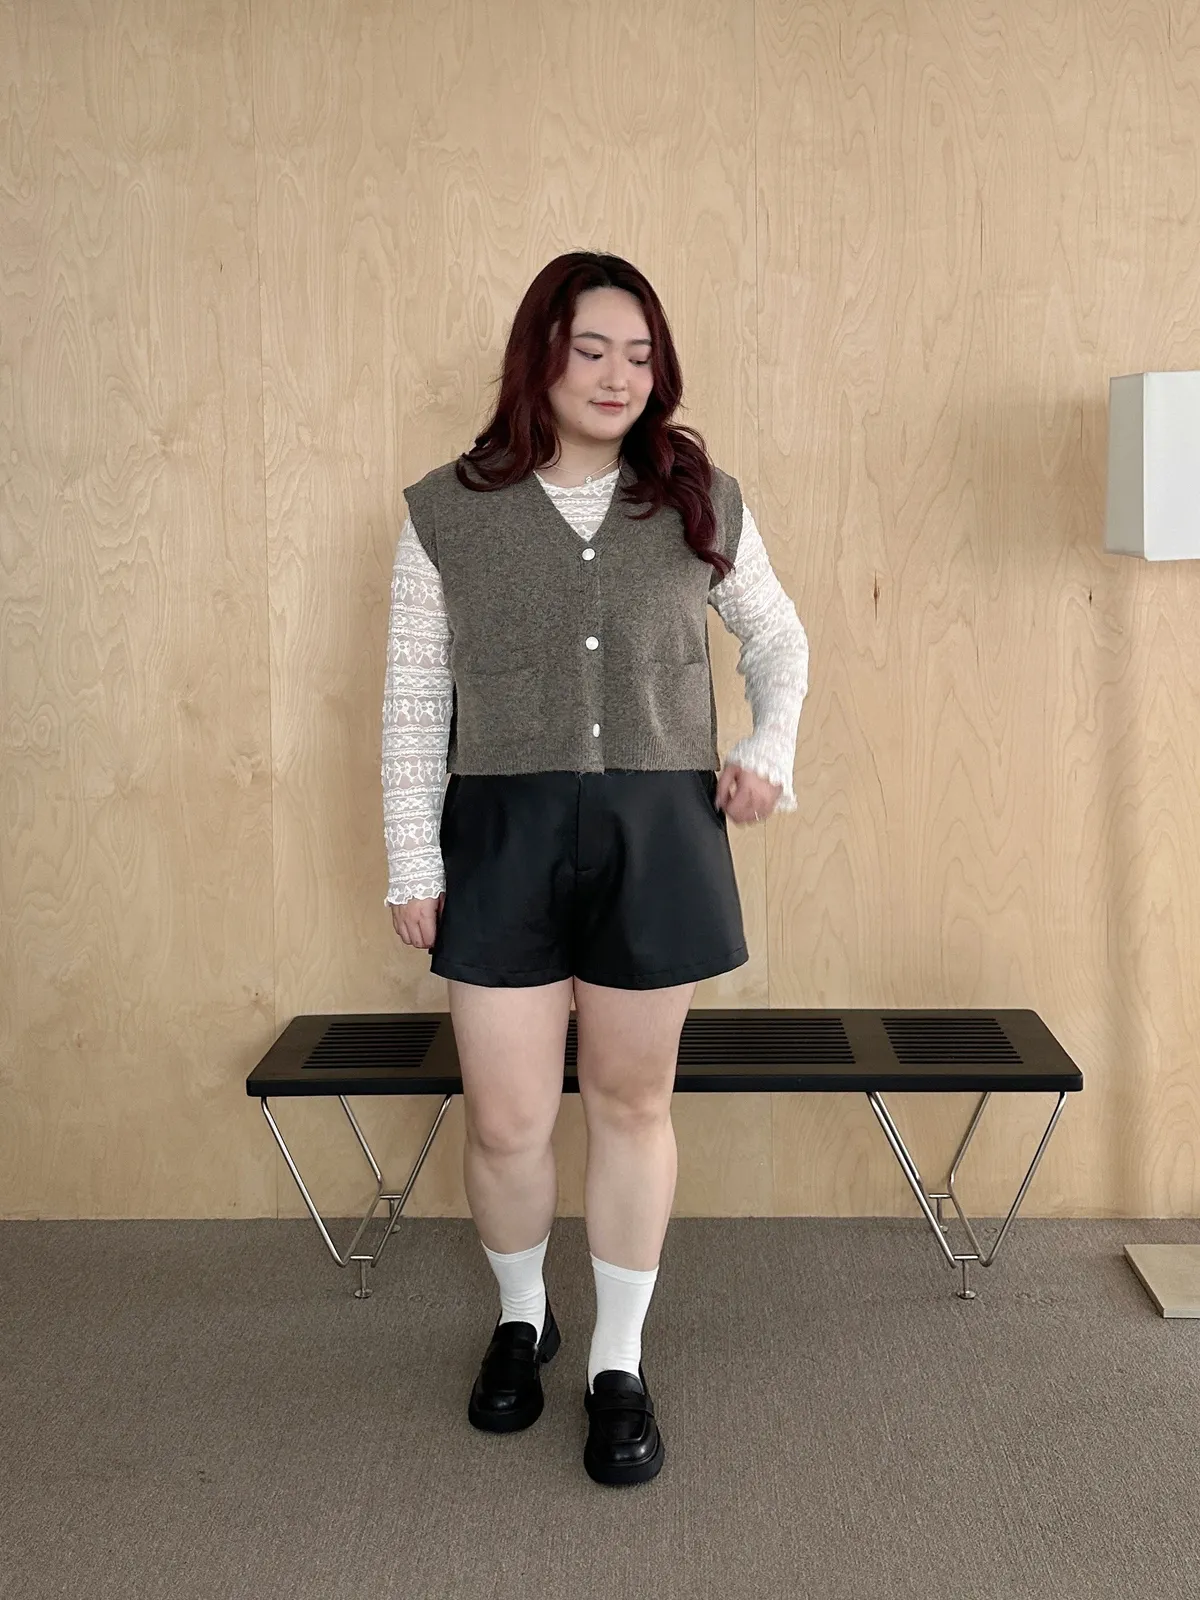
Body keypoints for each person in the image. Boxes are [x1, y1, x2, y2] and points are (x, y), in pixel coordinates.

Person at [381, 251, 809, 1488]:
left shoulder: (699, 499)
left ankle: (618, 1357)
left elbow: (778, 639)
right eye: (592, 350)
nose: (619, 375)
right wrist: (411, 858)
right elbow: (414, 697)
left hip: (656, 833)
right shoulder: (445, 510)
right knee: (509, 1118)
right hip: (501, 835)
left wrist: (768, 748)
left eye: (640, 354)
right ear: (541, 357)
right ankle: (523, 1319)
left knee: (630, 1102)